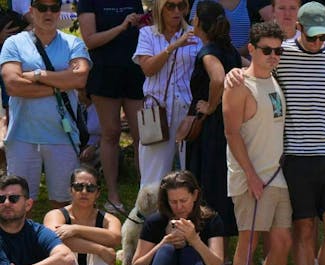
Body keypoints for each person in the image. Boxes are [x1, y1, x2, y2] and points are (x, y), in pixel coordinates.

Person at [228, 2, 325, 265]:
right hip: (297, 158)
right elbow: (255, 70)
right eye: (311, 36)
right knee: (304, 230)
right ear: (298, 28)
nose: (317, 43)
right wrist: (232, 73)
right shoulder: (281, 53)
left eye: (322, 37)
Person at [223, 21, 290, 265]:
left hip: (277, 176)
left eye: (278, 51)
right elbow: (231, 132)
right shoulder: (239, 84)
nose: (273, 56)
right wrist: (250, 175)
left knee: (282, 243)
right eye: (266, 50)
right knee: (248, 244)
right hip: (251, 178)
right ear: (251, 49)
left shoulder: (275, 78)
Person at [0, 0, 90, 208]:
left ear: (60, 11)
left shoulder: (73, 43)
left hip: (62, 136)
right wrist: (60, 85)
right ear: (31, 11)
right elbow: (13, 85)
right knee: (17, 204)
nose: (48, 12)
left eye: (54, 8)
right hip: (22, 136)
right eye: (42, 7)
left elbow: (79, 79)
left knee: (62, 204)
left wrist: (37, 75)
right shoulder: (13, 43)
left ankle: (55, 241)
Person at [77, 0, 145, 214]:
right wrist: (122, 27)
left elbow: (138, 32)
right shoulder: (87, 1)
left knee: (142, 136)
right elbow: (90, 40)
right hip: (105, 73)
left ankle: (145, 194)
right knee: (111, 133)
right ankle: (113, 194)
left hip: (134, 71)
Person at [186, 0, 242, 245]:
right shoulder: (229, 49)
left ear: (198, 22)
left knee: (206, 184)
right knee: (223, 184)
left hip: (210, 128)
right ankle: (222, 247)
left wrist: (210, 105)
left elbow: (217, 79)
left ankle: (210, 243)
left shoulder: (208, 52)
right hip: (231, 123)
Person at [133, 0, 201, 192]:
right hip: (156, 112)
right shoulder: (147, 33)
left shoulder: (196, 35)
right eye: (170, 6)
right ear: (160, 8)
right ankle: (148, 219)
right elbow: (148, 68)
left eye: (182, 6)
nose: (177, 11)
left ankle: (186, 220)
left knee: (188, 177)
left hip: (187, 112)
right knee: (152, 179)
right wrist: (173, 46)